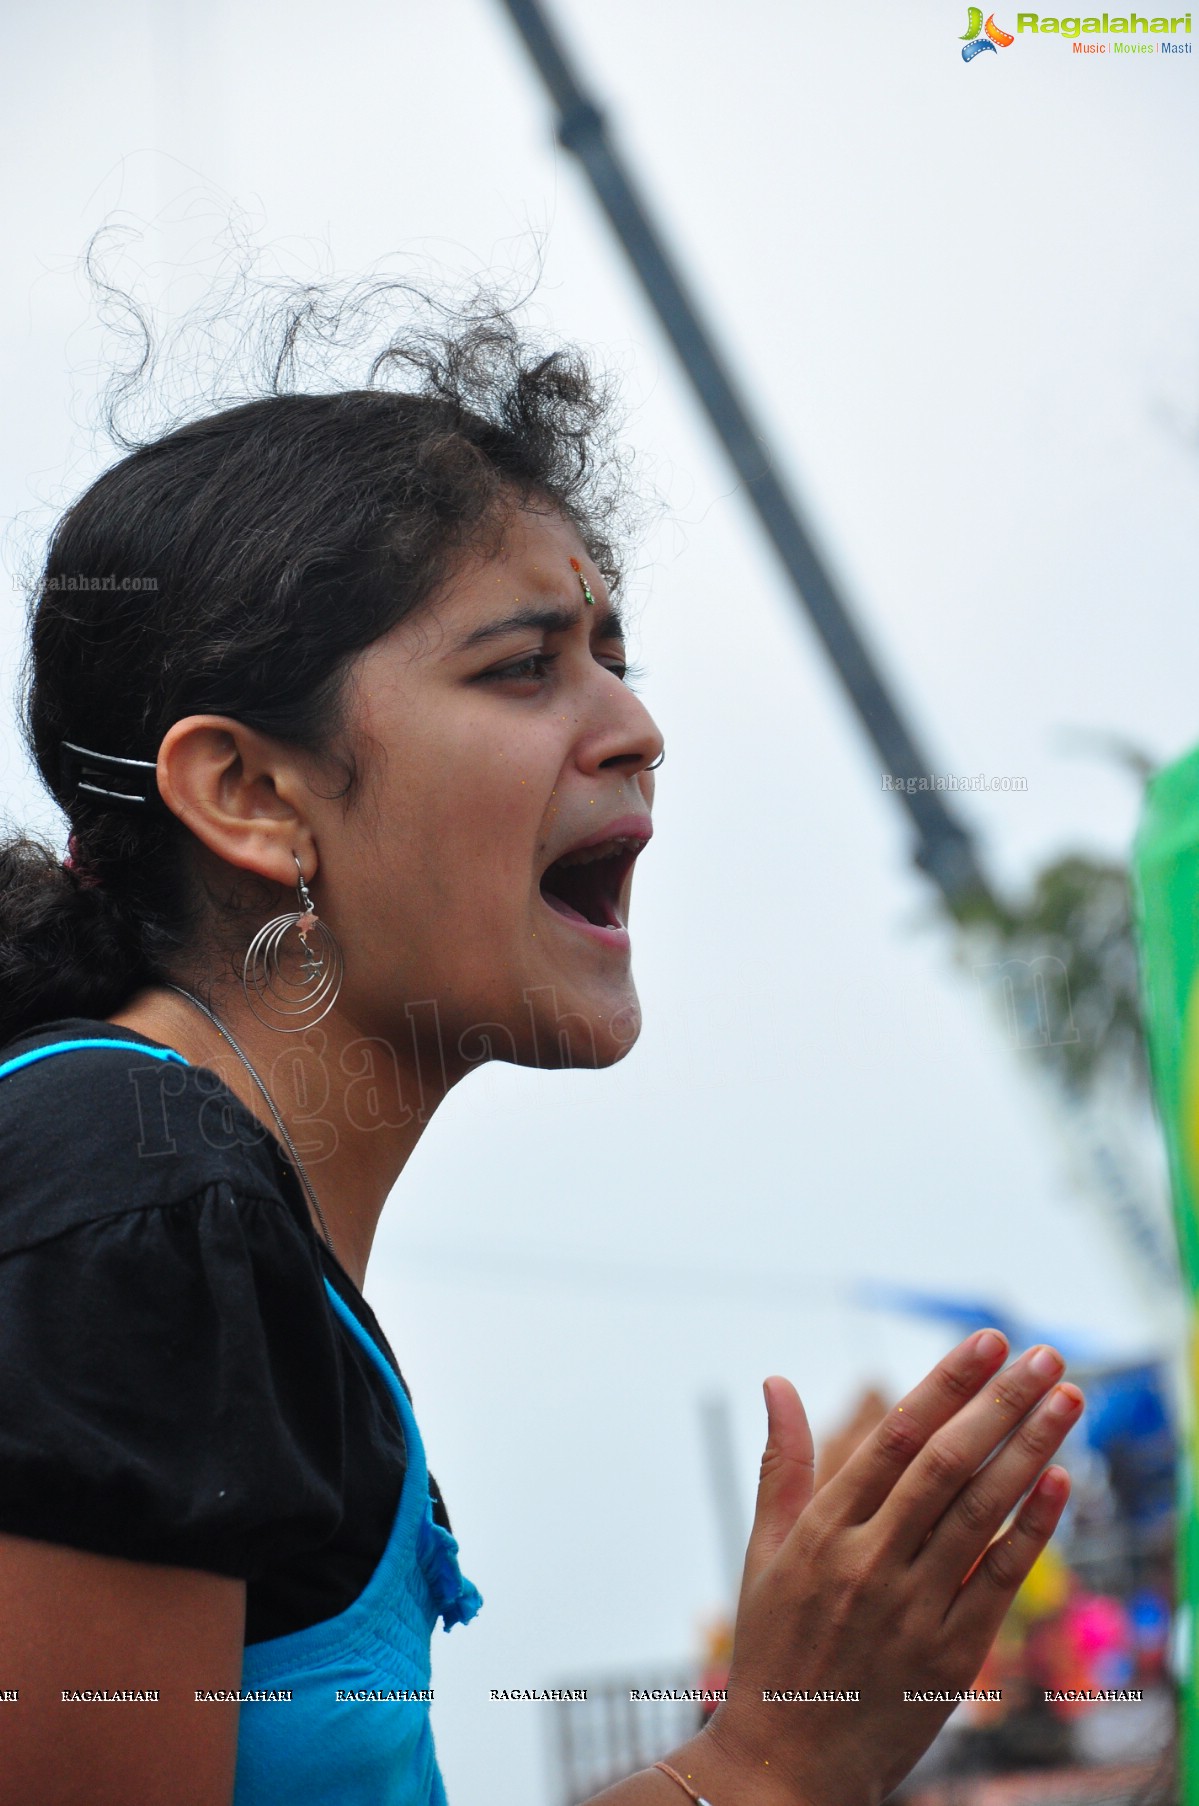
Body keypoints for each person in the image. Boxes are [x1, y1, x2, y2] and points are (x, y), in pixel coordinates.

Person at [0, 314, 1083, 1806]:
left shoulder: (167, 1199)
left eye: (616, 661)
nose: (638, 729)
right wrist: (768, 1762)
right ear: (249, 791)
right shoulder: (128, 1205)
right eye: (526, 669)